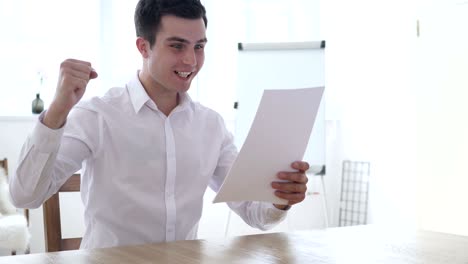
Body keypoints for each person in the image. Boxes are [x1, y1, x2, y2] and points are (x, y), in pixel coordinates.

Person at [9, 0, 310, 249]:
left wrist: (281, 200)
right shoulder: (97, 116)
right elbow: (25, 196)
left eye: (199, 46)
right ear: (144, 47)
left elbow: (255, 213)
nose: (191, 61)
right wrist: (59, 108)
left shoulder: (211, 126)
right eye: (177, 46)